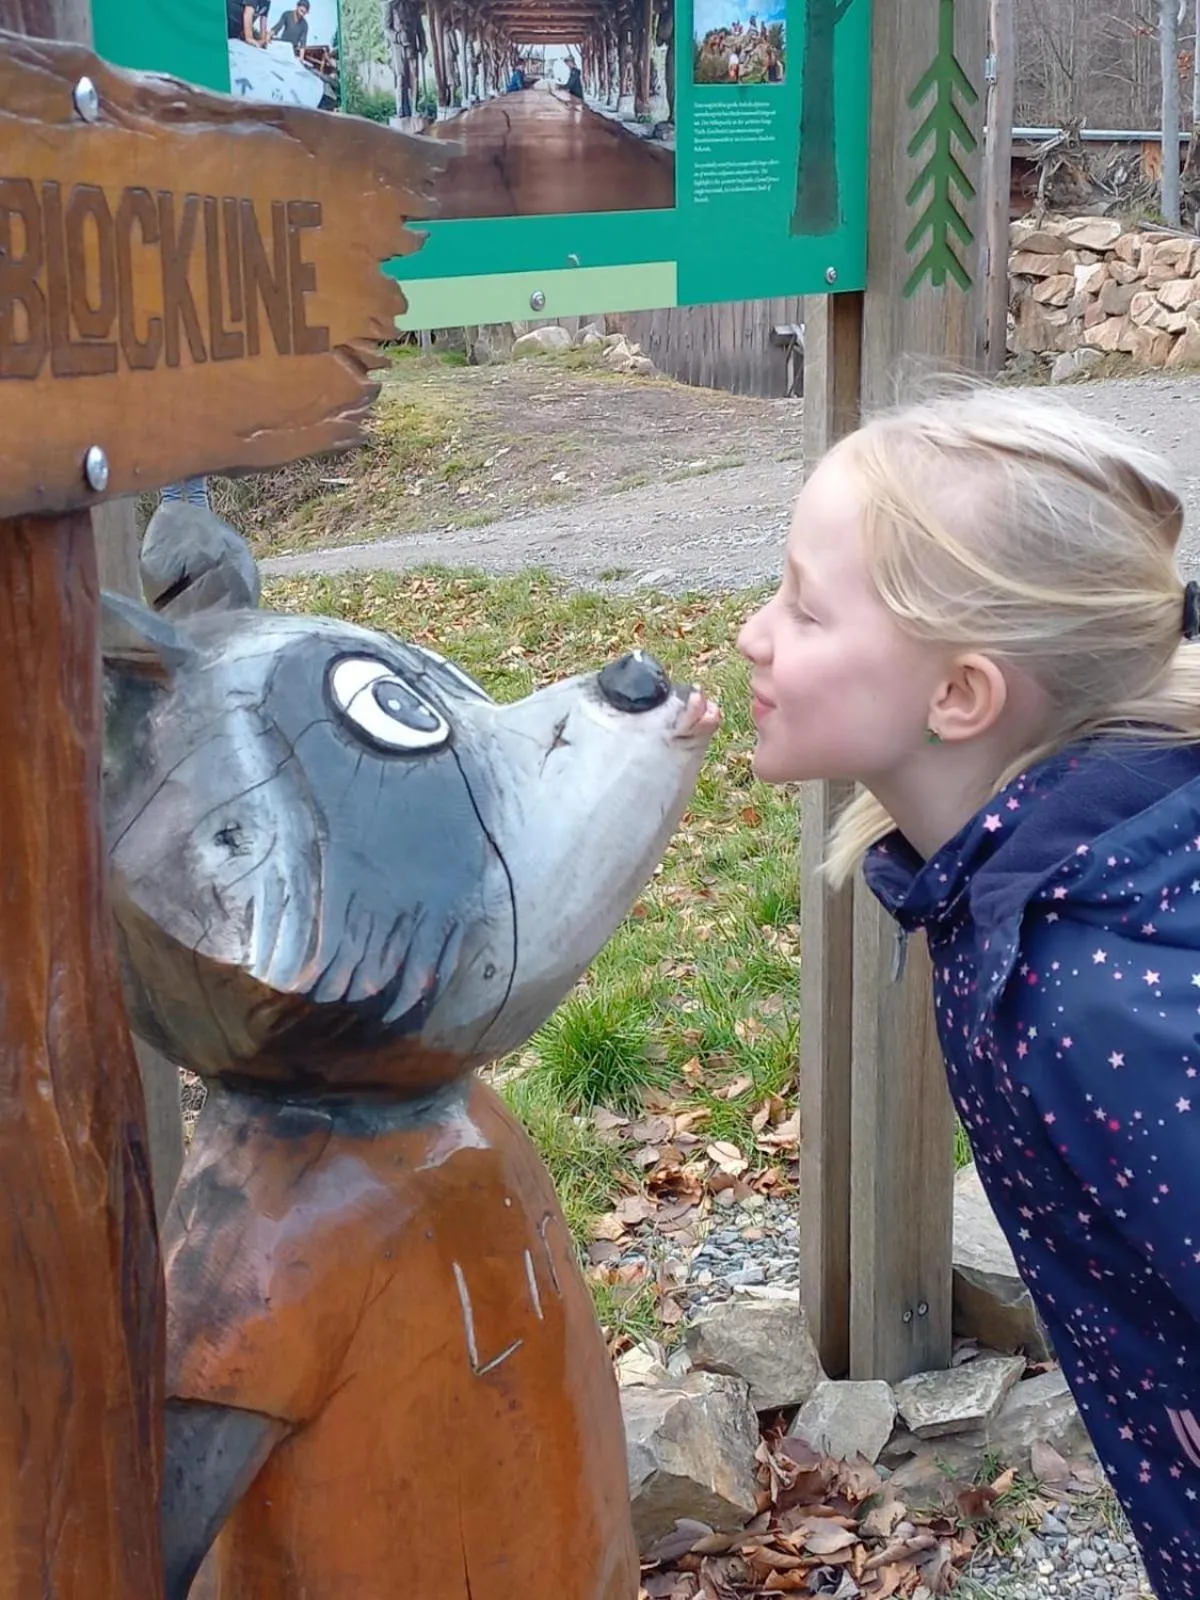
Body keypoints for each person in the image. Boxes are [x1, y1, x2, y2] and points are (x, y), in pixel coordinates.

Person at [738, 386, 1200, 1598]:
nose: (754, 632)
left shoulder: (1093, 995)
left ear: (961, 696)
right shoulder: (1041, 877)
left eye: (804, 604)